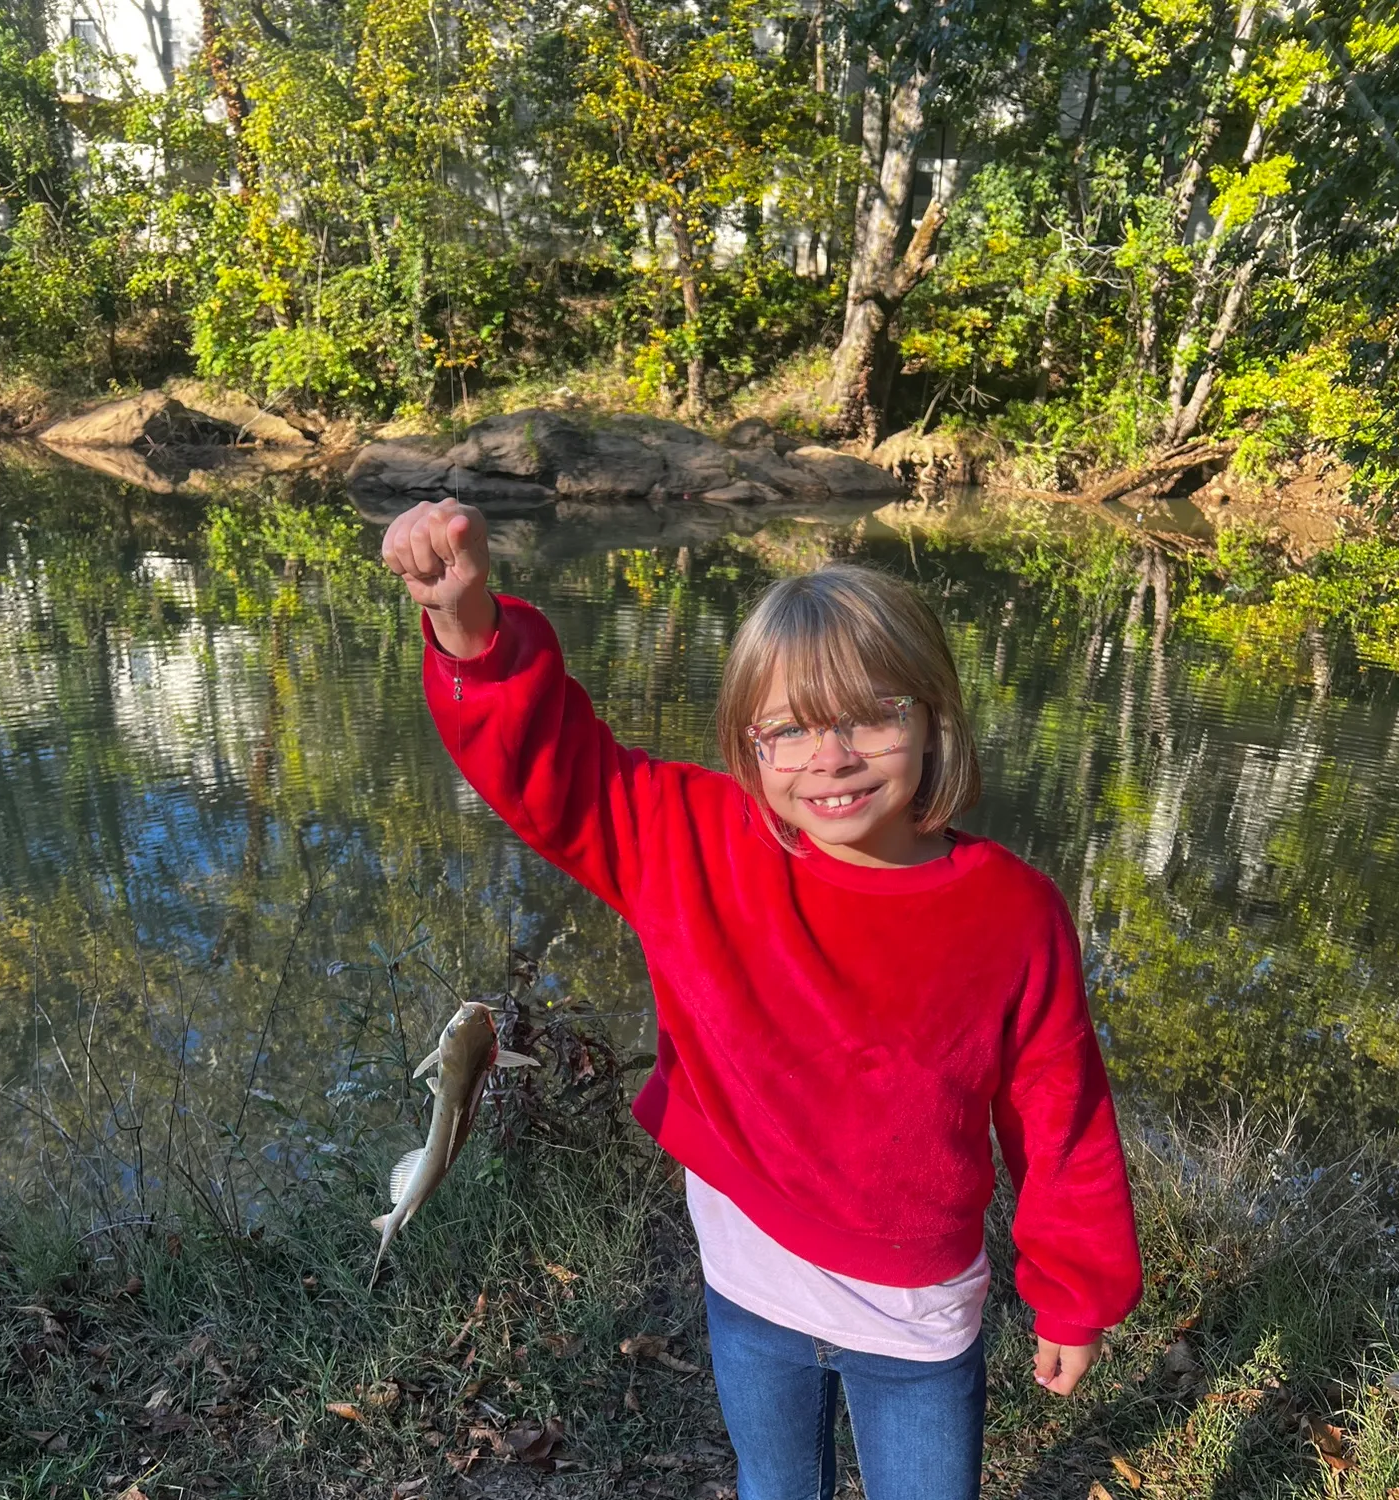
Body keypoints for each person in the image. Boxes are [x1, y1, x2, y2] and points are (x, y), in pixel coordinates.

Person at [382, 498, 1142, 1500]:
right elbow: (552, 774)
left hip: (916, 1319)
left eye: (872, 714)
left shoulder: (1011, 913)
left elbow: (1061, 1117)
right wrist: (472, 632)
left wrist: (1073, 1296)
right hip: (749, 1290)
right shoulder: (690, 842)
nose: (829, 758)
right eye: (787, 730)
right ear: (747, 744)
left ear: (933, 718)